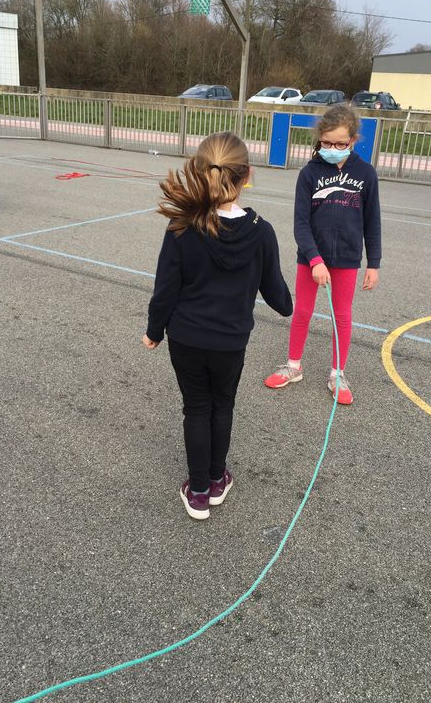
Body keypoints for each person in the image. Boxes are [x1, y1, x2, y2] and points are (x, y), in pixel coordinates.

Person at [143, 131, 292, 520]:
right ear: (247, 175)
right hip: (230, 341)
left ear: (199, 170)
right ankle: (214, 480)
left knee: (196, 407)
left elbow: (166, 288)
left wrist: (154, 330)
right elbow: (276, 293)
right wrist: (288, 303)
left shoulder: (181, 226)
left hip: (187, 338)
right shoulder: (261, 231)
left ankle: (197, 492)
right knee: (221, 405)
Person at [264, 104, 381, 405]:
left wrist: (374, 263)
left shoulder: (366, 174)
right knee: (302, 310)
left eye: (340, 144)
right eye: (327, 143)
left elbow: (372, 221)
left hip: (347, 258)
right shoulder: (309, 173)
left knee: (341, 315)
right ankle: (293, 366)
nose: (333, 149)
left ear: (353, 140)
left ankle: (337, 373)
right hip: (311, 258)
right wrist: (314, 259)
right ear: (320, 140)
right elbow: (300, 223)